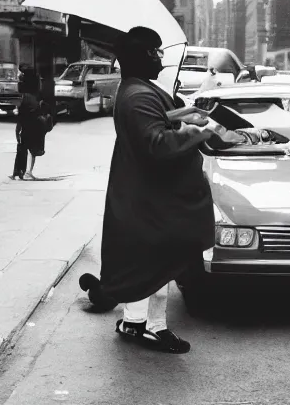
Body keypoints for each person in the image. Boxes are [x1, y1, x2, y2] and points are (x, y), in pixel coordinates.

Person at [81, 27, 217, 354]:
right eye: (156, 51)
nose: (160, 57)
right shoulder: (138, 95)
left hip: (147, 200)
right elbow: (156, 143)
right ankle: (149, 327)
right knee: (156, 266)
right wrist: (200, 130)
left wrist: (187, 112)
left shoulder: (139, 89)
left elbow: (161, 121)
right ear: (143, 56)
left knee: (152, 265)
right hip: (151, 203)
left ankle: (136, 323)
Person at [10, 69, 50, 180]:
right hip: (36, 126)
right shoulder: (36, 95)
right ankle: (25, 171)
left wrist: (18, 129)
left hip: (29, 126)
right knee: (31, 150)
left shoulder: (26, 97)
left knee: (23, 149)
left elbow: (22, 114)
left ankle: (20, 172)